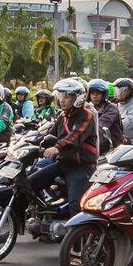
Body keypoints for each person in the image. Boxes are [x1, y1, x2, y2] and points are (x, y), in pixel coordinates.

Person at [39, 78, 101, 213]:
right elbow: (50, 134)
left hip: (81, 166)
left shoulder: (87, 115)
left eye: (67, 96)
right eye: (60, 96)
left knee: (75, 206)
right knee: (30, 183)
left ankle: (79, 233)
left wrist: (57, 147)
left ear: (77, 98)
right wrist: (32, 143)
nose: (62, 100)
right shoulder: (62, 116)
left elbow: (74, 136)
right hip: (63, 162)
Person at [88, 79, 124, 152]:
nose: (95, 96)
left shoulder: (111, 108)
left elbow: (102, 125)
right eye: (92, 93)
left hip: (113, 148)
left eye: (98, 93)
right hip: (98, 145)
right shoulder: (89, 107)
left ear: (103, 94)